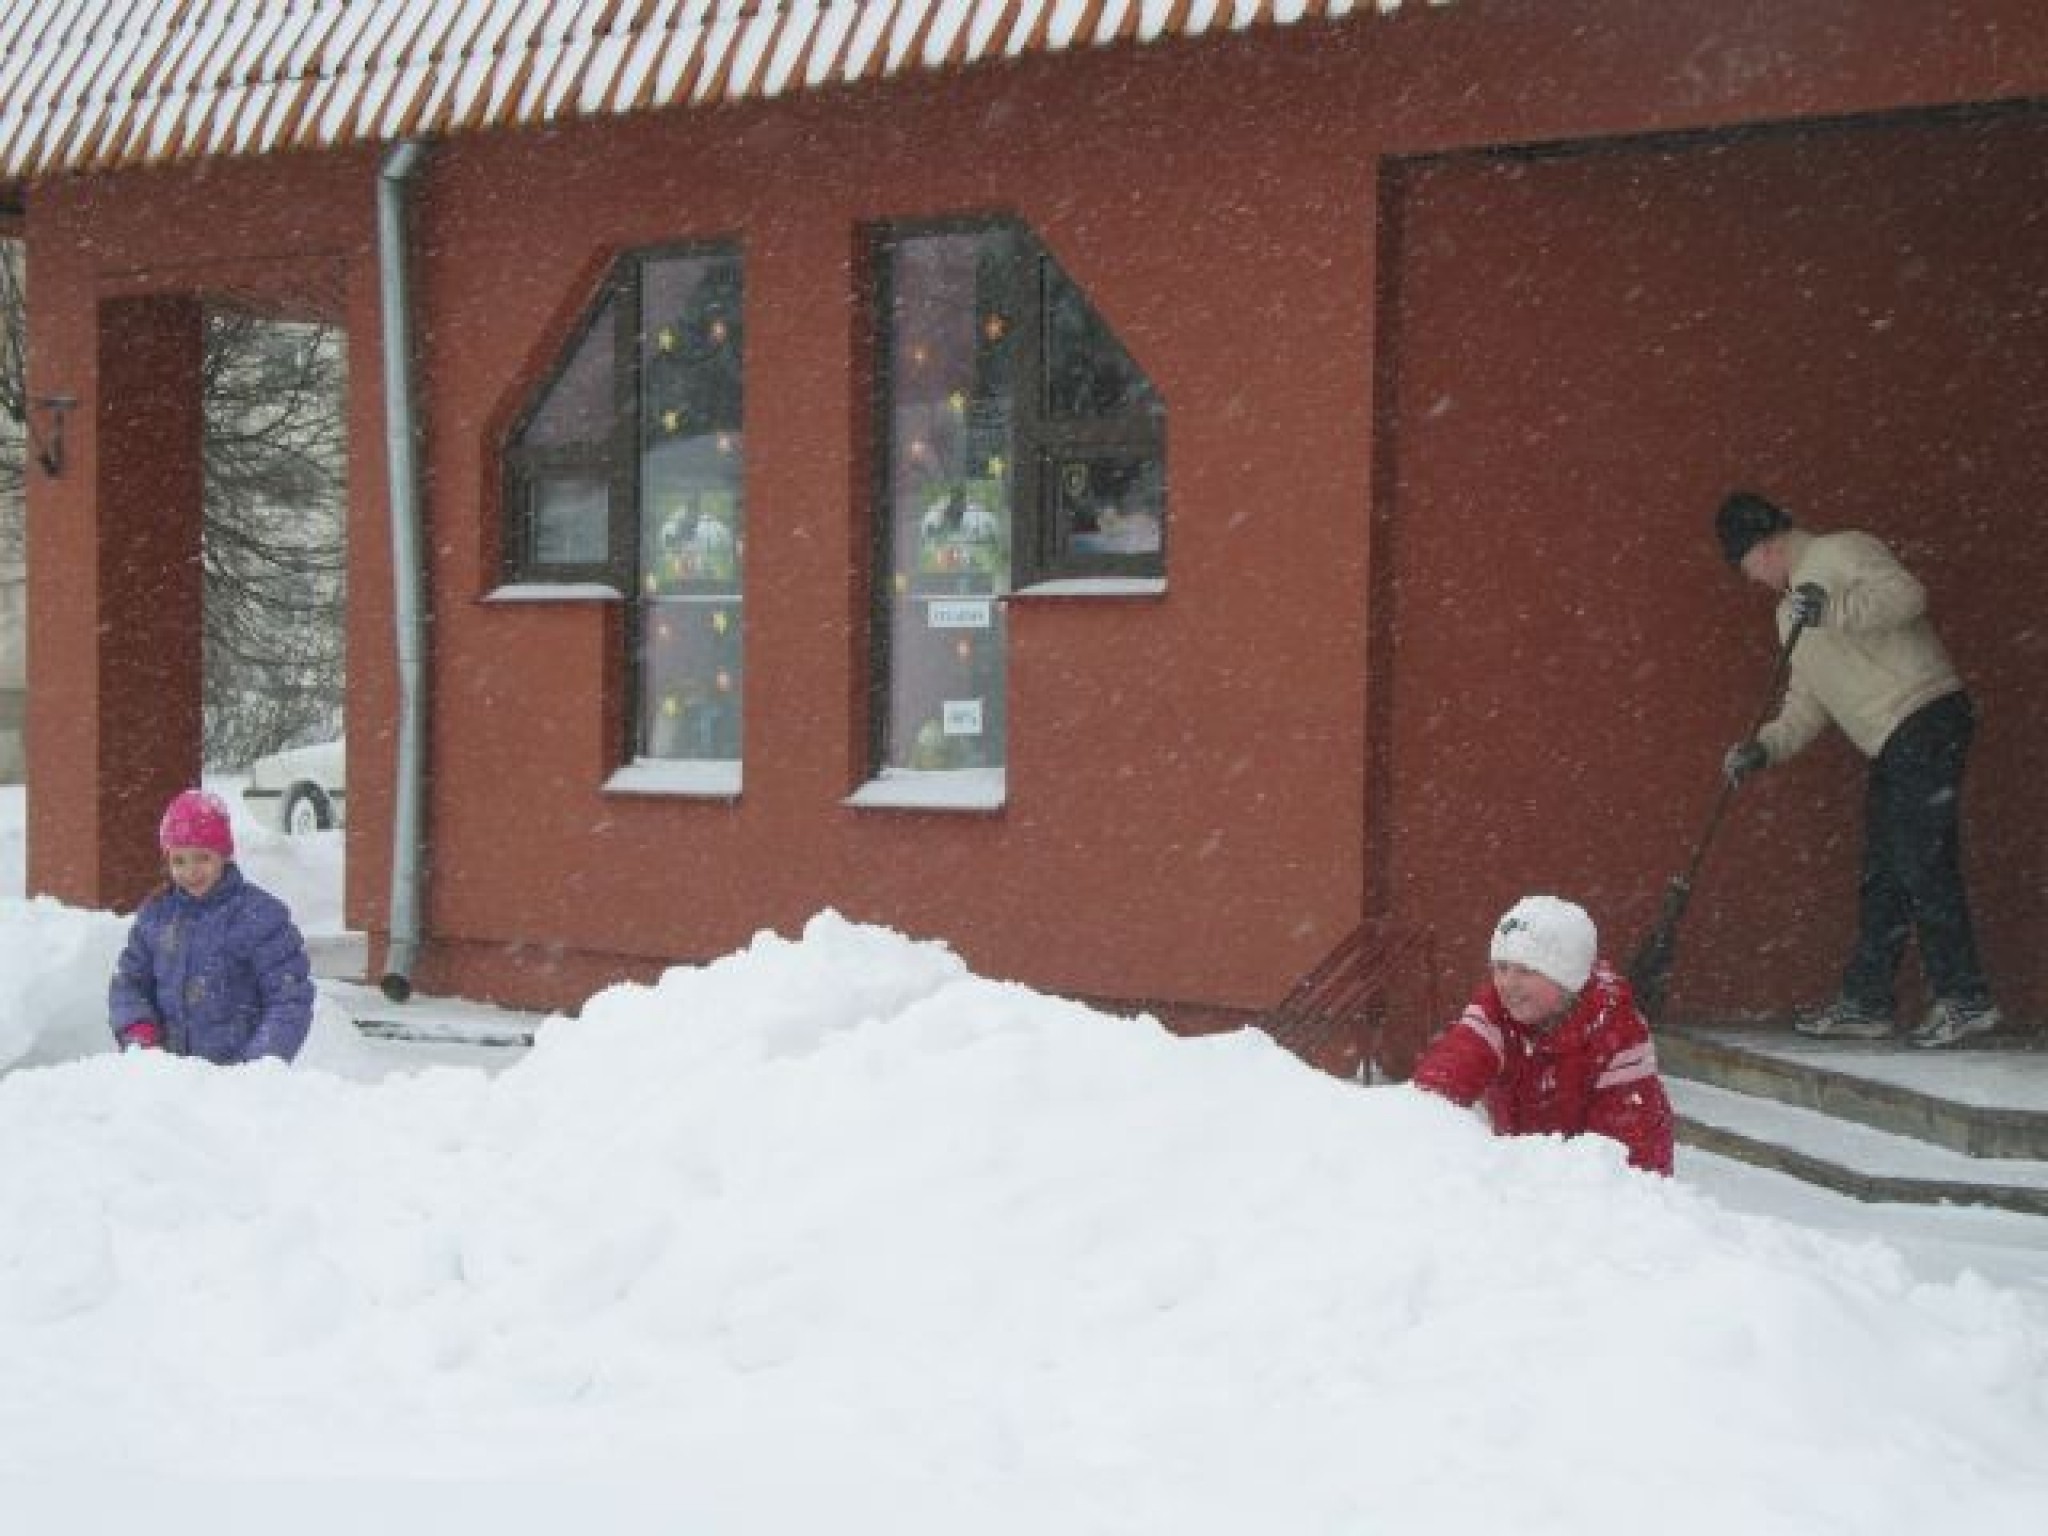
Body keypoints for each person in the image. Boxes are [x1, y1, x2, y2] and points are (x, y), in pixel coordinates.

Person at [1715, 491, 2000, 1049]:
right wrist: (1764, 747)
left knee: (1921, 859)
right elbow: (1807, 702)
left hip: (1926, 712)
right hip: (1891, 740)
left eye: (1745, 564)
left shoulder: (1841, 551)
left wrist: (1835, 611)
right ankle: (1867, 1001)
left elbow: (1906, 597)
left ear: (1766, 546)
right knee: (1884, 870)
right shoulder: (1787, 614)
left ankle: (1965, 998)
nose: (1750, 578)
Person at [1411, 895, 1675, 1175]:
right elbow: (1450, 1070)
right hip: (1530, 1178)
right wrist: (1418, 1124)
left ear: (1567, 980)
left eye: (1526, 971)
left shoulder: (1614, 1033)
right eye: (1501, 968)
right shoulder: (1497, 1012)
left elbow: (1627, 1155)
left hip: (1606, 1186)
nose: (1508, 984)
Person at [108, 788, 315, 1063]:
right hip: (169, 1077)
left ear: (224, 855)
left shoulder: (260, 917)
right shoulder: (157, 916)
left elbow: (290, 998)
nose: (191, 872)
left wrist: (260, 1062)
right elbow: (129, 983)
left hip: (235, 1081)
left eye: (203, 858)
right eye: (179, 861)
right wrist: (140, 1033)